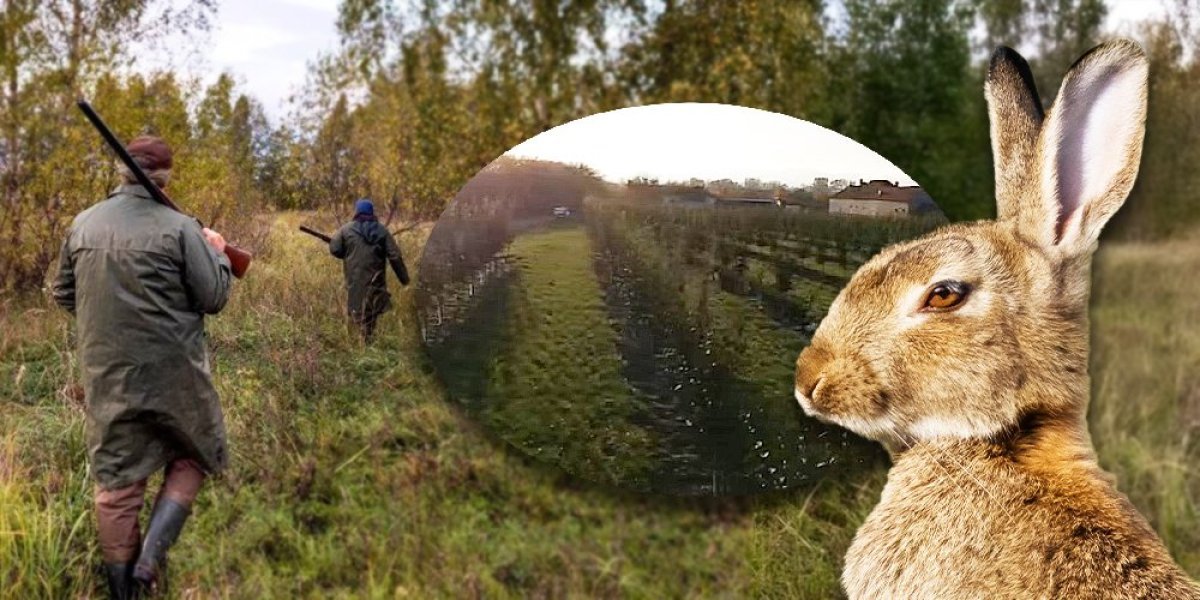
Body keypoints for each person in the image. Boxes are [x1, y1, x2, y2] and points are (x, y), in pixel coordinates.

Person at [51, 136, 232, 598]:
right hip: (177, 376)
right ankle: (151, 557)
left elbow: (64, 295)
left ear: (120, 171)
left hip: (108, 378)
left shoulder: (82, 225)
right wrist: (216, 251)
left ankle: (122, 589)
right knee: (195, 452)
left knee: (116, 481)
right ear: (166, 177)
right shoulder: (179, 228)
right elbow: (213, 298)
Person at [329, 199, 410, 342]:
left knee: (358, 312)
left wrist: (348, 253)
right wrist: (405, 280)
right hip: (376, 281)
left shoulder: (345, 229)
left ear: (357, 211)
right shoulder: (381, 230)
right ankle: (368, 340)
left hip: (355, 281)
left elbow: (335, 248)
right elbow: (395, 256)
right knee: (372, 311)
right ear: (372, 212)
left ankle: (362, 342)